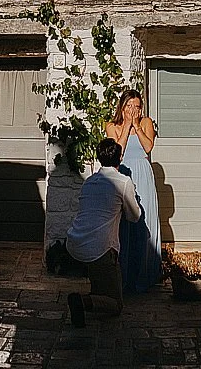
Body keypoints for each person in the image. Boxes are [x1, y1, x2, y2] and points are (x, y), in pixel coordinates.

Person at [65, 138, 141, 327]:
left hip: (76, 241)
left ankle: (89, 302)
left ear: (99, 158)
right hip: (101, 248)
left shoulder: (89, 182)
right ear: (120, 159)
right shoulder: (123, 182)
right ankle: (82, 301)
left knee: (100, 283)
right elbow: (134, 216)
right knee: (116, 305)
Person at [106, 89, 161, 293]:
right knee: (124, 225)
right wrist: (127, 125)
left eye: (137, 106)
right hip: (124, 175)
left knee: (143, 223)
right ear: (122, 106)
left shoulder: (146, 123)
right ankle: (124, 275)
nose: (133, 110)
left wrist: (137, 126)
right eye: (129, 106)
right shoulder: (112, 126)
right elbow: (117, 154)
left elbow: (148, 148)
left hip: (143, 174)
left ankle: (144, 274)